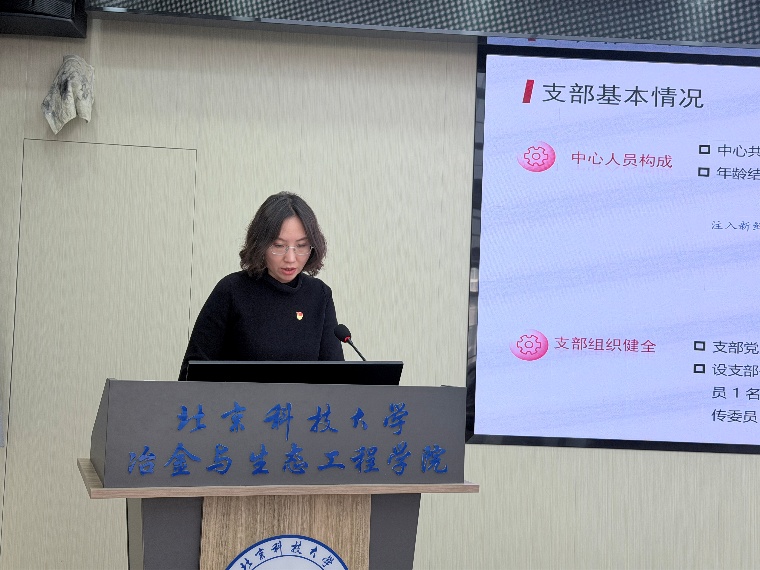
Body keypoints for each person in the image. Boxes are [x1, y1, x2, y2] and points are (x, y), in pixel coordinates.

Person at [179, 192, 344, 381]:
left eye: (301, 246)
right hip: (238, 400)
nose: (290, 258)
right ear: (261, 244)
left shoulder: (319, 294)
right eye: (279, 245)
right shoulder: (232, 291)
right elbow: (192, 373)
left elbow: (336, 378)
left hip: (302, 402)